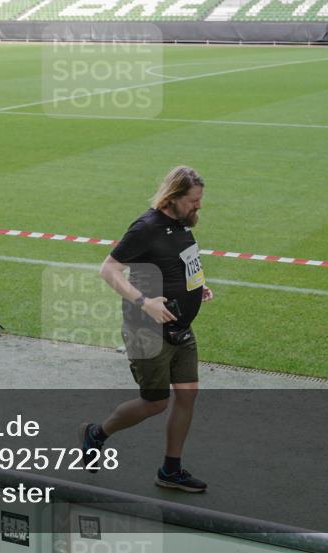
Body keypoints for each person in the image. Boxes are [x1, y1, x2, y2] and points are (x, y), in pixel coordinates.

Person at [81, 165, 214, 493]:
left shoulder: (182, 224)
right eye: (193, 200)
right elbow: (108, 270)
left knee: (188, 394)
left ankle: (170, 469)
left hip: (180, 327)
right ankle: (97, 433)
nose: (198, 206)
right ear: (173, 197)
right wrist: (146, 302)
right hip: (147, 330)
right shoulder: (146, 227)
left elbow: (181, 262)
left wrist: (198, 285)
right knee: (155, 402)